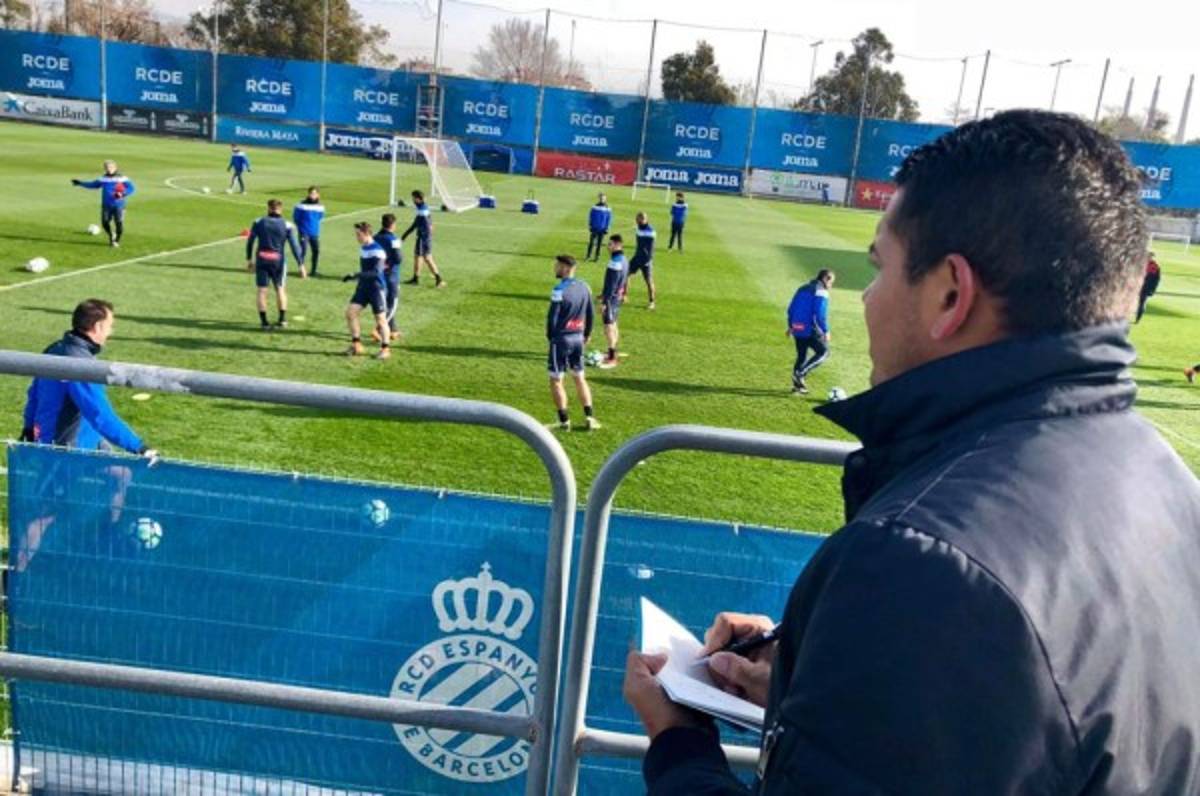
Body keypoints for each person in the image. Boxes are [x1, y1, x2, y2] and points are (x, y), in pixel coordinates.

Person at [624, 110, 1200, 793]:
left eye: (880, 268)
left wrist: (681, 744)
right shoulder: (1169, 482)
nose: (867, 299)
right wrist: (821, 678)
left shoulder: (921, 569)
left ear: (950, 294)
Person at [18, 299, 158, 570]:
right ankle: (11, 582)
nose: (111, 331)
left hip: (87, 440)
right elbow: (100, 415)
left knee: (121, 475)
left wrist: (27, 427)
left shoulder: (54, 349)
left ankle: (106, 538)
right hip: (65, 450)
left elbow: (33, 393)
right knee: (43, 516)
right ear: (95, 327)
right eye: (109, 325)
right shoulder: (78, 364)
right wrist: (139, 447)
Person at [545, 254, 599, 431]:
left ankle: (564, 421)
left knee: (556, 380)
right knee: (579, 378)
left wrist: (551, 338)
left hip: (561, 339)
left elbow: (552, 319)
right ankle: (589, 417)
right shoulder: (585, 287)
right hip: (578, 338)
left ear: (566, 269)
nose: (555, 268)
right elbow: (590, 313)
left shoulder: (559, 290)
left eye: (558, 265)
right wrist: (587, 334)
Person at [246, 199, 305, 330]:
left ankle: (264, 322)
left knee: (262, 290)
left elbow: (250, 241)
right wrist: (301, 264)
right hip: (278, 261)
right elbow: (295, 246)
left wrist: (249, 259)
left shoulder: (258, 222)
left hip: (261, 259)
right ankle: (282, 320)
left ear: (268, 208)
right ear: (280, 209)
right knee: (280, 289)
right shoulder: (287, 225)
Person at [342, 221, 391, 360]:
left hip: (376, 289)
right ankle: (357, 345)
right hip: (363, 287)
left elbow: (376, 272)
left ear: (366, 234)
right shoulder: (364, 248)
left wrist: (355, 275)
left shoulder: (378, 250)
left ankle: (385, 349)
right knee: (350, 312)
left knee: (381, 320)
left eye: (358, 234)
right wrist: (358, 280)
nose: (356, 237)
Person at [786, 269, 835, 394]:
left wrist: (791, 326)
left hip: (797, 327)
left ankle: (798, 387)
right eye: (831, 282)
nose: (831, 285)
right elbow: (820, 314)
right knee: (824, 352)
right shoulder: (821, 291)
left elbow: (791, 308)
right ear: (825, 279)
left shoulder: (802, 288)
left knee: (801, 356)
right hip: (809, 327)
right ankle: (800, 373)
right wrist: (826, 330)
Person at [71, 160, 135, 248]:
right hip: (106, 205)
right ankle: (111, 235)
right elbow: (93, 185)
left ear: (115, 168)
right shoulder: (103, 178)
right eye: (107, 168)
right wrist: (80, 183)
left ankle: (116, 241)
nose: (109, 169)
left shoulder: (122, 178)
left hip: (119, 205)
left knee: (118, 223)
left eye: (110, 167)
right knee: (104, 223)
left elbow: (132, 188)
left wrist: (123, 193)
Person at [401, 190, 445, 288]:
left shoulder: (422, 210)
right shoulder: (422, 207)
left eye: (413, 198)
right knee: (420, 257)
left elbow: (417, 224)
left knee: (426, 258)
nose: (412, 200)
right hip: (424, 237)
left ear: (418, 199)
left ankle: (438, 279)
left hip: (423, 238)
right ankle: (416, 278)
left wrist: (405, 235)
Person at [597, 234, 628, 370]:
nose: (607, 247)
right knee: (614, 323)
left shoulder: (615, 262)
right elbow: (624, 280)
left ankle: (611, 357)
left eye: (609, 244)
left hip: (612, 299)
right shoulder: (624, 259)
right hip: (617, 297)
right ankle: (613, 351)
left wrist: (605, 301)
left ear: (617, 245)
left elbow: (611, 284)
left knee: (608, 326)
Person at [373, 212, 404, 343]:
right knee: (393, 303)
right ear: (393, 225)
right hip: (392, 275)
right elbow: (398, 258)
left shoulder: (375, 237)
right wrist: (389, 265)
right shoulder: (394, 240)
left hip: (379, 274)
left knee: (386, 303)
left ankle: (393, 330)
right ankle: (378, 329)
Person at [292, 186, 325, 277]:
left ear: (318, 195)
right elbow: (296, 218)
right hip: (304, 232)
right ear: (308, 194)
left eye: (314, 193)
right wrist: (301, 228)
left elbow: (320, 217)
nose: (312, 195)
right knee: (303, 251)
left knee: (316, 251)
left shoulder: (320, 206)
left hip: (314, 233)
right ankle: (301, 270)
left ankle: (313, 271)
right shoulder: (300, 205)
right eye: (311, 193)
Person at [629, 212, 657, 309]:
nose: (636, 221)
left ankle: (652, 302)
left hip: (646, 260)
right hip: (637, 257)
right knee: (625, 274)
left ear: (644, 219)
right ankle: (622, 295)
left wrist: (647, 260)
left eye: (638, 220)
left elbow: (650, 249)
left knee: (649, 281)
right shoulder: (639, 228)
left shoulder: (651, 232)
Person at [1135, 251, 1161, 323]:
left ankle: (1138, 318)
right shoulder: (1152, 266)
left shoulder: (1154, 267)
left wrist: (1152, 289)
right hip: (1139, 286)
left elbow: (1156, 280)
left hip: (1144, 287)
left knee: (1141, 303)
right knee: (1140, 302)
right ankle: (1137, 317)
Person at [586, 193, 613, 262]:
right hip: (594, 228)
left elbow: (609, 219)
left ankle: (597, 257)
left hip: (602, 229)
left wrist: (607, 228)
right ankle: (588, 256)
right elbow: (591, 217)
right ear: (599, 198)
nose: (602, 199)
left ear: (605, 199)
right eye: (601, 198)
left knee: (599, 244)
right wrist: (590, 225)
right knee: (591, 242)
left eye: (603, 198)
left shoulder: (608, 208)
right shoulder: (594, 207)